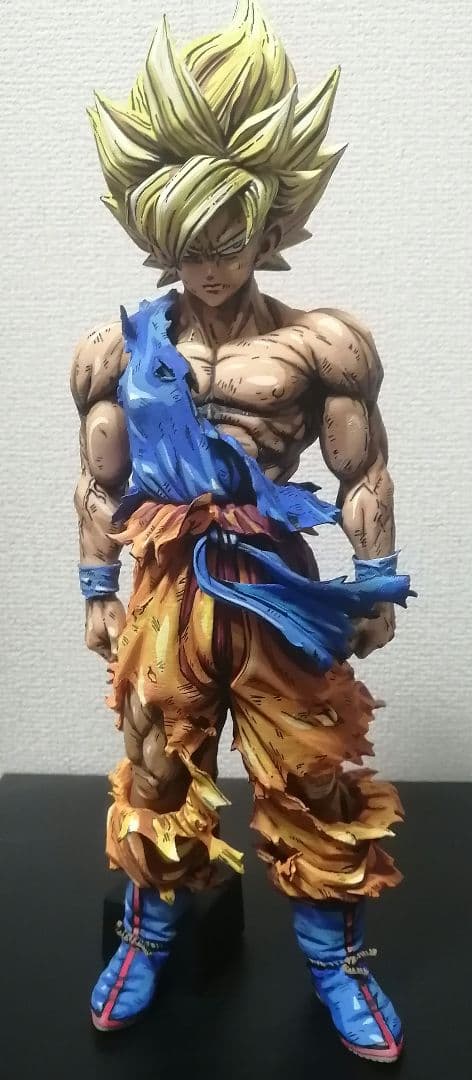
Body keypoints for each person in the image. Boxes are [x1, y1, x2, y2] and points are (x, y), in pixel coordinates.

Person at [71, 1, 414, 1061]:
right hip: (168, 588)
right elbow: (97, 480)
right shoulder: (118, 349)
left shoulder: (322, 346)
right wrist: (96, 591)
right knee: (156, 766)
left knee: (314, 773)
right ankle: (145, 940)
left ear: (267, 229)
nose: (209, 266)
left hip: (274, 580)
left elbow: (361, 469)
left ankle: (337, 964)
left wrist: (375, 582)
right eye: (188, 247)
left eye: (227, 241)